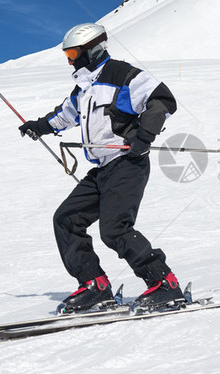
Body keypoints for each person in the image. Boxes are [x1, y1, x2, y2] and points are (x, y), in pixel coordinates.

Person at [19, 22, 184, 313]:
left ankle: (164, 283)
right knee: (66, 219)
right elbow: (65, 115)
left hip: (127, 163)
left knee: (114, 229)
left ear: (91, 49)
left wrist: (144, 137)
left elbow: (162, 100)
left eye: (72, 53)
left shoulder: (122, 75)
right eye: (67, 55)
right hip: (102, 169)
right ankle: (95, 285)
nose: (70, 60)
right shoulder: (84, 88)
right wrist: (39, 127)